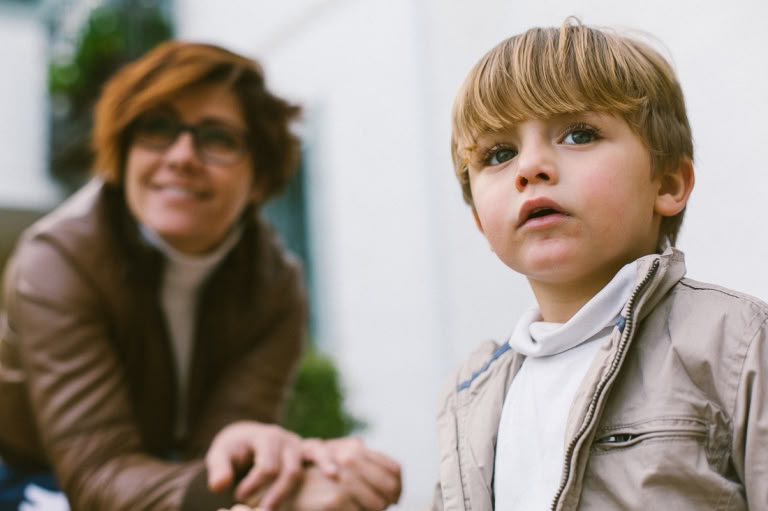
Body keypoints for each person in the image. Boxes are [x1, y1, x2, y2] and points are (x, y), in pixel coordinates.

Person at [0, 41, 400, 511]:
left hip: (159, 474)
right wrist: (294, 494)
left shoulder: (275, 288)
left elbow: (221, 462)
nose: (182, 155)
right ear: (124, 153)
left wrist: (305, 466)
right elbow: (98, 476)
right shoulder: (58, 261)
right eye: (157, 128)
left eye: (218, 138)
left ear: (260, 177)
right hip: (28, 473)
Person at [431, 19, 768, 510]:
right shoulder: (470, 396)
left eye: (578, 135)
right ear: (481, 222)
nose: (530, 168)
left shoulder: (736, 345)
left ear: (668, 183)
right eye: (500, 153)